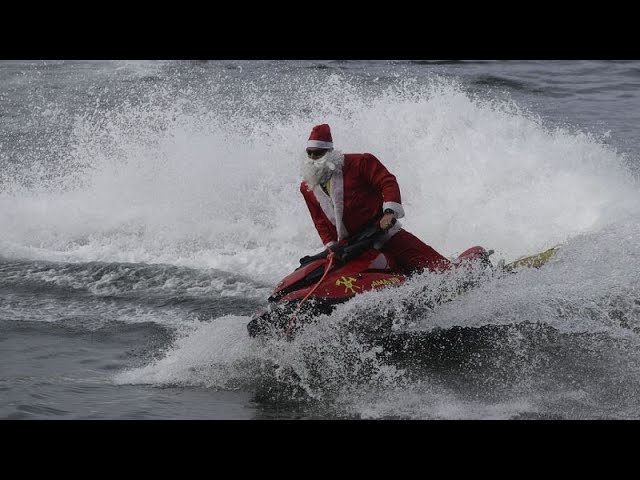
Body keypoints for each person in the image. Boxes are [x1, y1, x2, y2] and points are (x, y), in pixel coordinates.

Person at [299, 123, 453, 275]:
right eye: (309, 153)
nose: (313, 158)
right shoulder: (308, 187)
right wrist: (331, 246)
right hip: (351, 247)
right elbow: (320, 221)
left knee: (439, 268)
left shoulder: (360, 162)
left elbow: (387, 182)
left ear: (329, 152)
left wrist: (389, 212)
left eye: (318, 153)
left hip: (383, 232)